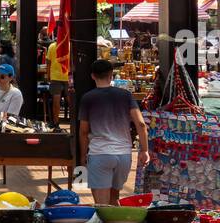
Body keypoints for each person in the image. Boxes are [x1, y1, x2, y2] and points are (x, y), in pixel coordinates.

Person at [78, 59, 150, 205]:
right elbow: (141, 124)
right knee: (114, 199)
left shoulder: (88, 98)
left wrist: (82, 157)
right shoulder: (126, 95)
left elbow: (84, 132)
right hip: (124, 155)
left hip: (100, 154)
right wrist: (144, 150)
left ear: (92, 76)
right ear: (112, 75)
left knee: (102, 205)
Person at [46, 35, 68, 129]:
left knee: (56, 102)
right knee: (70, 100)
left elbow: (48, 63)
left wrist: (48, 75)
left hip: (55, 77)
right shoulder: (69, 45)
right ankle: (75, 121)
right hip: (67, 77)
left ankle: (56, 123)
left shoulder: (52, 46)